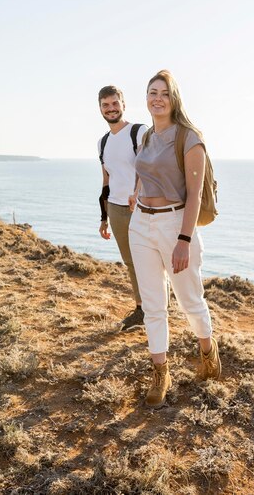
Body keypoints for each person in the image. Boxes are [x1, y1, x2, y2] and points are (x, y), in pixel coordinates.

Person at [128, 70, 221, 408]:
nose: (157, 98)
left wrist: (184, 238)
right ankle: (160, 373)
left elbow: (195, 194)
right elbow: (144, 172)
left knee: (189, 301)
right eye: (152, 92)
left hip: (176, 225)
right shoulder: (146, 136)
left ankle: (208, 353)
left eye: (163, 93)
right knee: (153, 305)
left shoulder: (189, 137)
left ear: (174, 98)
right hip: (141, 224)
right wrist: (136, 194)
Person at [98, 85, 148, 330]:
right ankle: (141, 310)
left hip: (142, 207)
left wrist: (137, 192)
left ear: (123, 104)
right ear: (100, 109)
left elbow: (147, 167)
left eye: (114, 103)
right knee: (130, 262)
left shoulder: (138, 132)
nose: (111, 108)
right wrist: (104, 217)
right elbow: (106, 181)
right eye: (105, 105)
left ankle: (159, 309)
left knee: (151, 260)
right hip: (117, 210)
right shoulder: (103, 142)